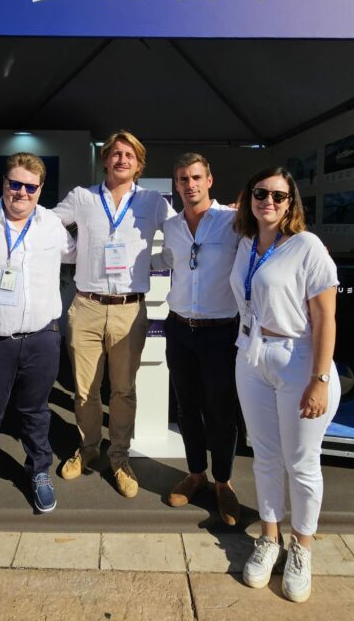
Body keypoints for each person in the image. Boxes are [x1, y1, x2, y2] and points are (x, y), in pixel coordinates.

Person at [229, 166, 340, 604]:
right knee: (265, 454)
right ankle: (270, 538)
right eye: (260, 193)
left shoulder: (307, 246)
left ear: (291, 202)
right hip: (251, 356)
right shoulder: (245, 244)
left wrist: (320, 378)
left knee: (302, 461)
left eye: (278, 196)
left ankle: (302, 547)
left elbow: (326, 317)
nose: (268, 202)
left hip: (297, 359)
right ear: (249, 198)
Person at [54, 129, 176, 497]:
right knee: (85, 390)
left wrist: (151, 262)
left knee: (123, 391)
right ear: (105, 159)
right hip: (86, 305)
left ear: (139, 165)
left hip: (129, 309)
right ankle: (89, 448)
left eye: (130, 155)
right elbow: (44, 226)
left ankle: (119, 457)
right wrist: (74, 253)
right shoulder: (82, 197)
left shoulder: (153, 201)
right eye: (116, 154)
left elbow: (181, 235)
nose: (122, 160)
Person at [0, 153, 76, 520]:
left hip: (42, 337)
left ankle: (39, 469)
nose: (21, 192)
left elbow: (78, 255)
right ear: (4, 184)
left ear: (41, 189)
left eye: (30, 186)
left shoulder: (52, 225)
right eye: (15, 184)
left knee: (36, 411)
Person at [154, 152, 241, 525]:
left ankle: (223, 482)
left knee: (221, 410)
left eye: (195, 178)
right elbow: (168, 262)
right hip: (180, 328)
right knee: (186, 406)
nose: (189, 185)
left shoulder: (234, 221)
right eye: (182, 180)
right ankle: (195, 473)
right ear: (176, 185)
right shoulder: (172, 227)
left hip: (220, 330)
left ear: (209, 180)